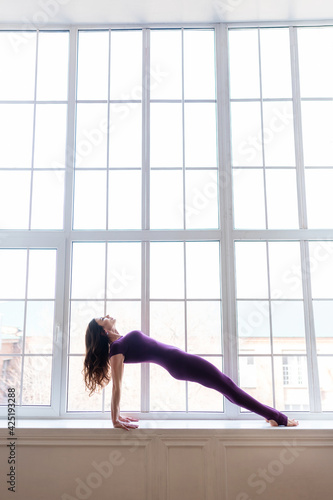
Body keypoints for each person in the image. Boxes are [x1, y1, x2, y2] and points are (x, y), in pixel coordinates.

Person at [83, 315, 299, 431]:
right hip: (180, 363)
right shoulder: (117, 349)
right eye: (103, 318)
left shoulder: (119, 344)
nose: (107, 315)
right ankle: (278, 417)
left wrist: (117, 415)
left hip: (179, 362)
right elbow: (117, 386)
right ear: (103, 330)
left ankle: (270, 416)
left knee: (227, 387)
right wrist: (114, 419)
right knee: (228, 386)